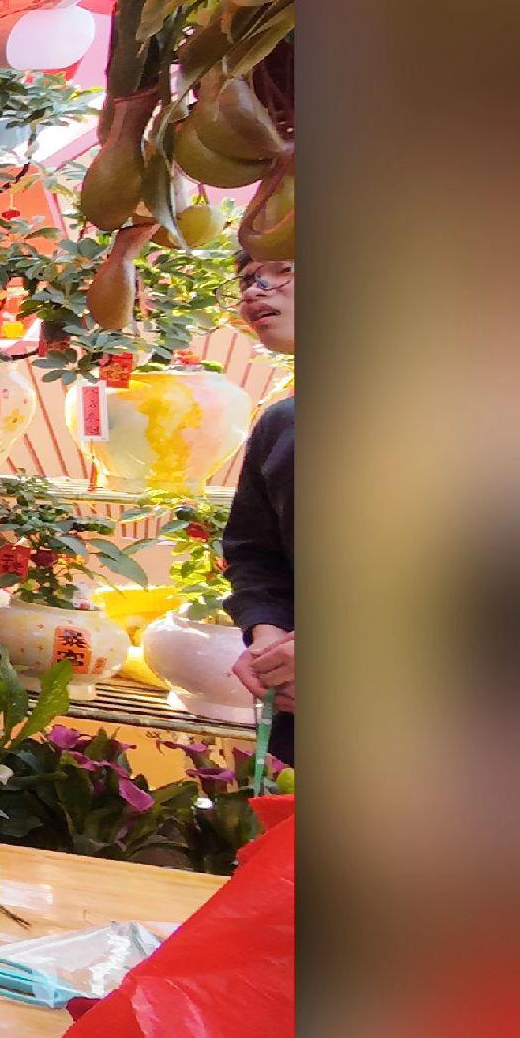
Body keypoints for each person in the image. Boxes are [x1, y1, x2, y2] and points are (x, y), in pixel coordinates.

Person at [223, 257, 294, 764]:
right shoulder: (281, 424)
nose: (255, 291)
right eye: (249, 279)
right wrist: (267, 634)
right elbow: (255, 553)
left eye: (284, 269)